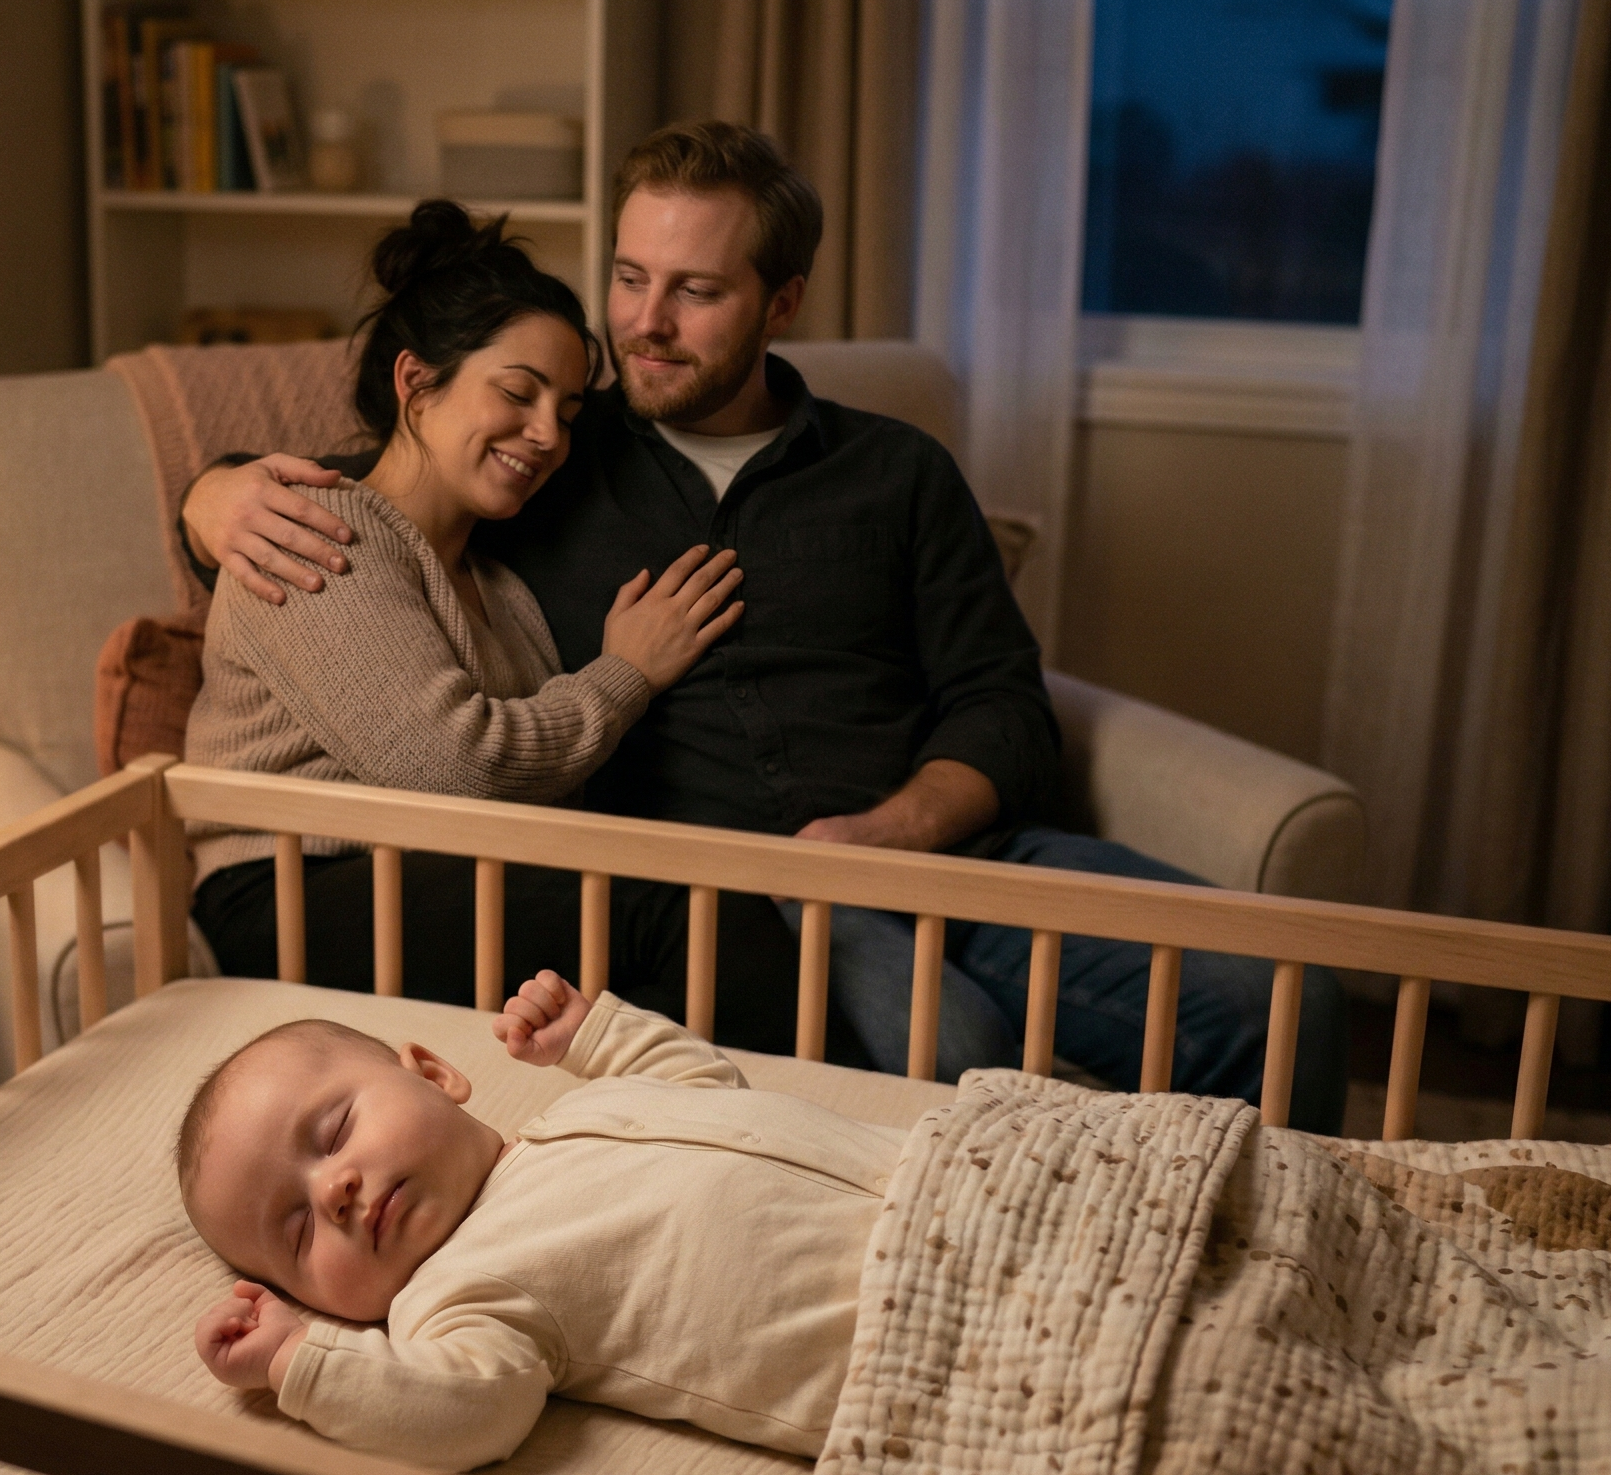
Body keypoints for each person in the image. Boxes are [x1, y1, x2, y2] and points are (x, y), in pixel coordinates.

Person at [181, 121, 1349, 1130]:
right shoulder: (559, 465)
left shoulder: (896, 473)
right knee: (954, 1050)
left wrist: (893, 830)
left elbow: (1000, 704)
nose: (646, 325)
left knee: (1283, 996)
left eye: (695, 292)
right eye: (629, 279)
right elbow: (381, 502)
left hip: (955, 864)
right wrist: (214, 497)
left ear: (780, 303)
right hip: (732, 899)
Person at [185, 200, 813, 1050]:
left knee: (654, 991)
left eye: (567, 411)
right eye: (518, 393)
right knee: (688, 911)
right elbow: (456, 770)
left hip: (437, 880)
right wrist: (625, 674)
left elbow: (538, 799)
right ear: (416, 383)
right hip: (291, 892)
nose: (547, 434)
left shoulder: (502, 589)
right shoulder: (320, 528)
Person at [180, 976, 893, 1471]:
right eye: (299, 1231)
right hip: (893, 1325)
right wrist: (295, 1358)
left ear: (433, 1076)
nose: (333, 1190)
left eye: (335, 1131)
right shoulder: (453, 1297)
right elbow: (464, 1410)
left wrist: (599, 1037)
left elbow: (710, 1089)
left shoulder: (580, 1108)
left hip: (931, 1166)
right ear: (311, 1298)